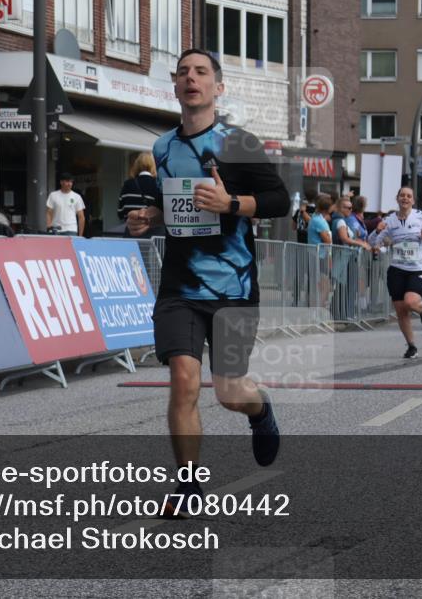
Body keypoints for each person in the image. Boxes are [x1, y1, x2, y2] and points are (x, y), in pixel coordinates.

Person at [126, 48, 289, 514]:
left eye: (200, 72)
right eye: (182, 73)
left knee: (229, 391)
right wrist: (149, 216)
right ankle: (189, 488)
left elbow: (280, 201)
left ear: (218, 87)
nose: (190, 79)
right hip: (179, 285)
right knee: (183, 379)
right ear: (175, 87)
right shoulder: (163, 148)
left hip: (232, 289)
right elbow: (173, 203)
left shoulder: (239, 143)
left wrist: (232, 204)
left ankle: (260, 411)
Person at [367, 186, 422, 358]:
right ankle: (411, 346)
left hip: (417, 268)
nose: (405, 198)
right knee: (400, 310)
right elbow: (372, 241)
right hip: (397, 269)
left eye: (409, 196)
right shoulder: (389, 220)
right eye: (402, 196)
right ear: (397, 199)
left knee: (411, 302)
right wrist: (377, 231)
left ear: (413, 200)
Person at [117, 152, 160, 237]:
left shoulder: (127, 184)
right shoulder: (156, 184)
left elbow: (120, 212)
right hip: (152, 233)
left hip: (130, 231)